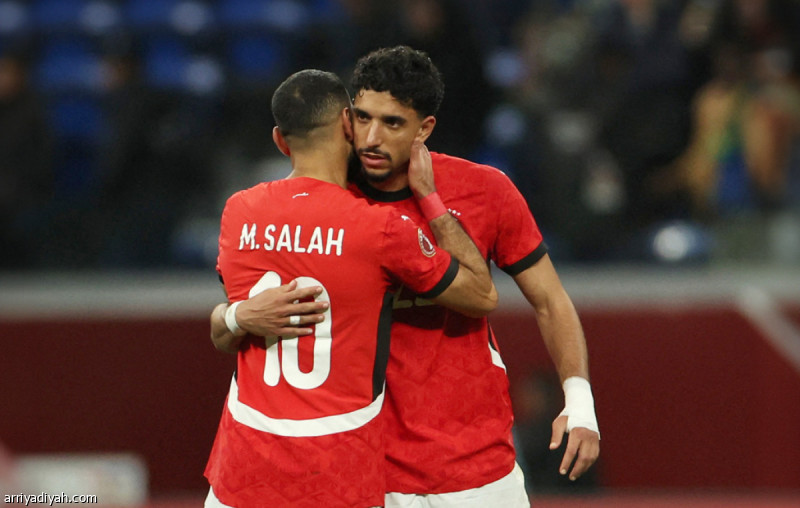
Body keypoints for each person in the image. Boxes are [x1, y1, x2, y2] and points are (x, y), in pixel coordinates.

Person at [210, 46, 600, 506]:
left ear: (424, 129)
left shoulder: (485, 190)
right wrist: (234, 316)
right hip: (368, 468)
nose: (371, 138)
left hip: (474, 464)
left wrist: (580, 402)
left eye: (393, 123)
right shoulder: (325, 201)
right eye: (363, 118)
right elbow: (250, 311)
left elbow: (550, 300)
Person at [204, 69, 497, 507]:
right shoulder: (379, 228)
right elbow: (482, 296)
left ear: (280, 140)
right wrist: (429, 198)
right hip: (337, 471)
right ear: (347, 123)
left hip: (243, 468)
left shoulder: (239, 212)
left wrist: (235, 315)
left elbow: (225, 335)